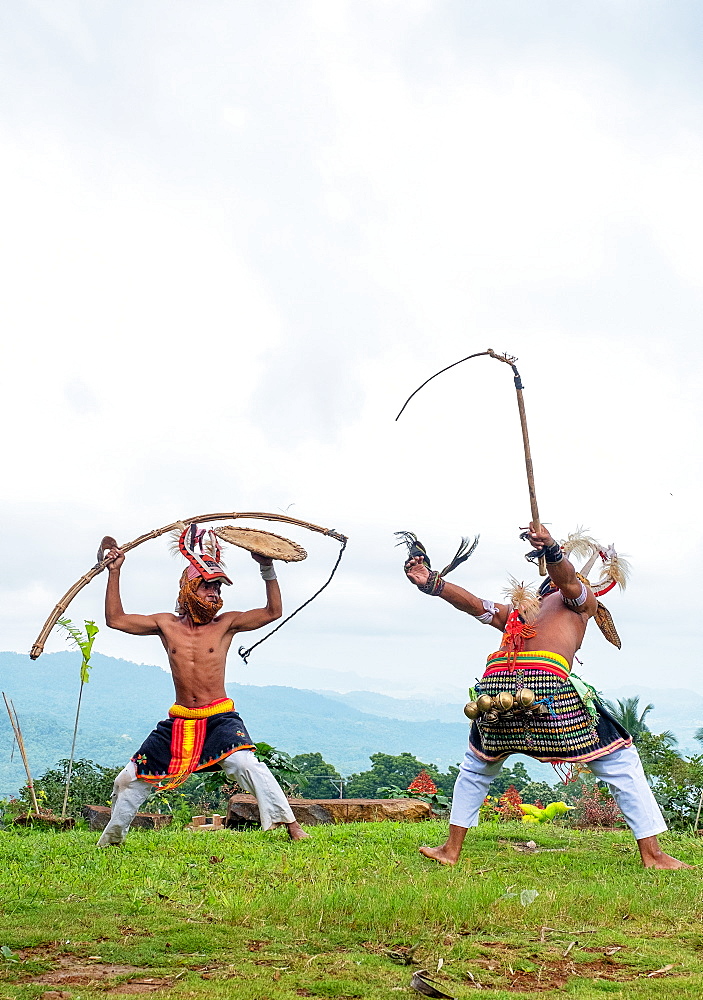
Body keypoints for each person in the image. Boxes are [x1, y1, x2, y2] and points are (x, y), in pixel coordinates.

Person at [403, 522, 688, 870]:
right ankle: (653, 856)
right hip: (546, 691)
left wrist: (436, 584)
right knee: (621, 761)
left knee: (477, 766)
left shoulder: (579, 601)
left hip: (494, 693)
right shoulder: (524, 610)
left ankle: (450, 850)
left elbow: (562, 582)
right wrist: (434, 583)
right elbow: (474, 604)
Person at [97, 524, 308, 846]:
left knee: (244, 762)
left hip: (219, 716)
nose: (215, 595)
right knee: (130, 778)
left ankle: (290, 825)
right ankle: (110, 842)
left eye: (219, 589)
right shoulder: (165, 625)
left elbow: (272, 611)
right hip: (180, 719)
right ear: (187, 589)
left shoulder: (226, 625)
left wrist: (266, 568)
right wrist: (115, 571)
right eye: (208, 588)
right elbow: (116, 619)